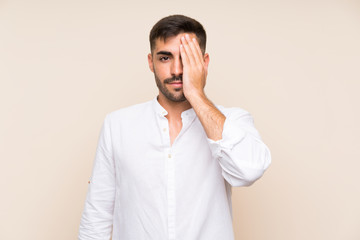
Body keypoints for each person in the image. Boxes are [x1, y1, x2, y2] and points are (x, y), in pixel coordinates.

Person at [78, 14, 271, 240]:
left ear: (204, 62)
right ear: (151, 62)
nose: (177, 70)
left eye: (187, 58)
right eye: (165, 58)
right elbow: (97, 215)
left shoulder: (232, 121)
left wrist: (196, 94)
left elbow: (249, 172)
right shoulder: (117, 125)